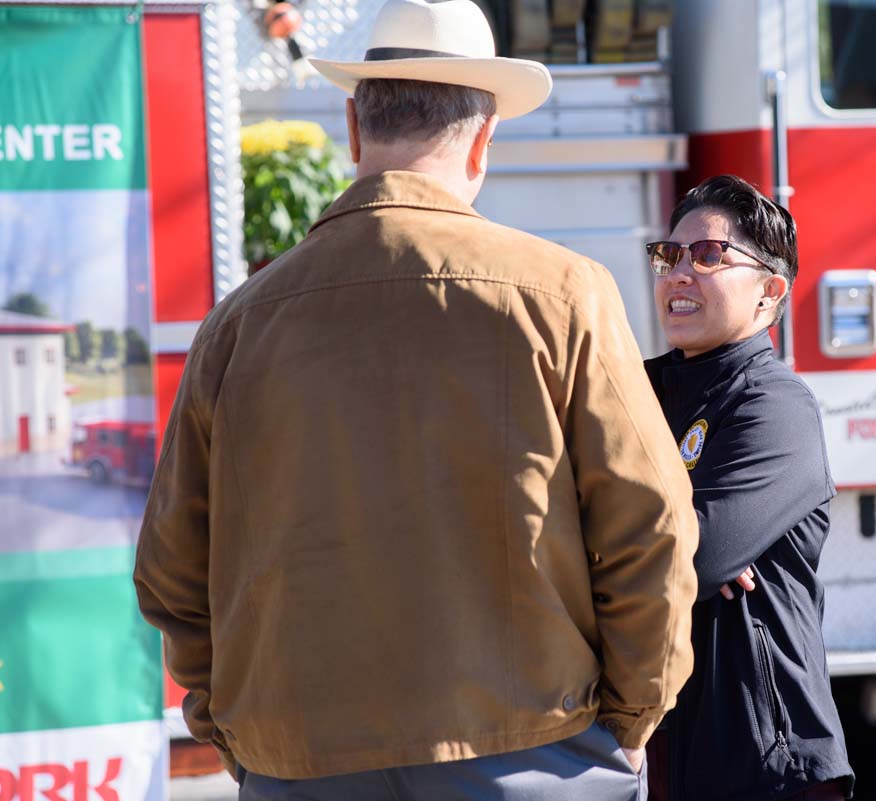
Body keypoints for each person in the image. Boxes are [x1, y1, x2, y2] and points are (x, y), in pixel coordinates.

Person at [132, 2, 699, 799]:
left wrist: (240, 733)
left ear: (355, 132)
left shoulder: (236, 324)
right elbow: (653, 523)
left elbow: (171, 574)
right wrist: (631, 720)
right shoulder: (564, 294)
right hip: (534, 753)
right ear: (483, 139)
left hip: (298, 763)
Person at [642, 175, 854, 801]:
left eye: (707, 255)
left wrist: (684, 544)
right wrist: (676, 524)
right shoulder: (632, 391)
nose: (679, 273)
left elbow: (695, 560)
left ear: (769, 292)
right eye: (669, 255)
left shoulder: (775, 406)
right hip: (653, 756)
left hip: (764, 763)